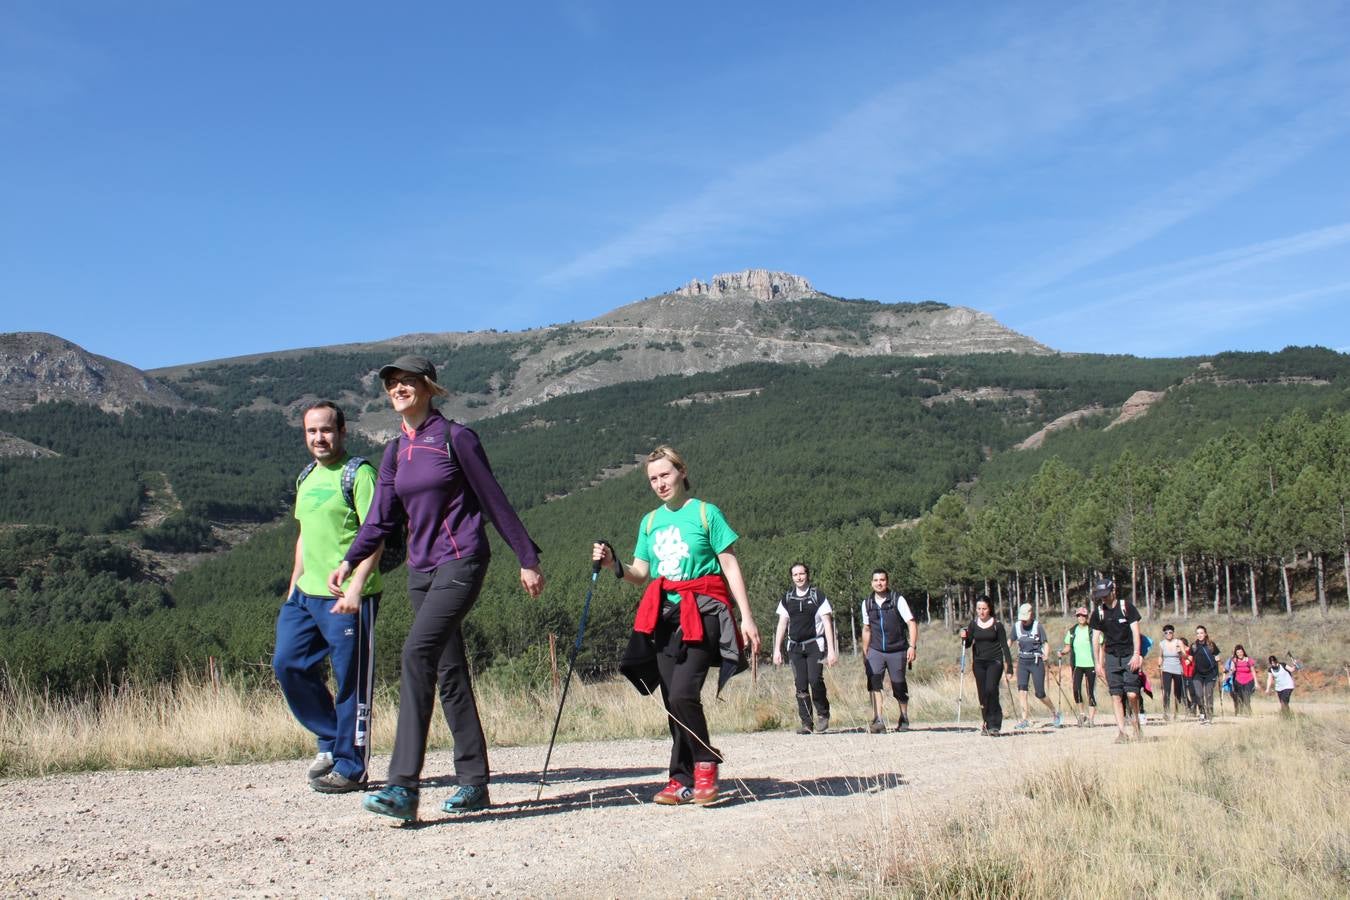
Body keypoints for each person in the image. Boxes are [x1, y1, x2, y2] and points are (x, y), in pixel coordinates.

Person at [329, 355, 545, 822]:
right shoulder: (394, 452)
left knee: (415, 654)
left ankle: (402, 786)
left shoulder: (456, 438)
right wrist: (349, 560)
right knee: (449, 673)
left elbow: (494, 500)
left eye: (408, 382)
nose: (399, 389)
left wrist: (527, 557)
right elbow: (381, 518)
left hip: (462, 560)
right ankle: (474, 783)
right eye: (392, 384)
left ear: (428, 388)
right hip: (420, 572)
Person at [592, 446, 761, 806]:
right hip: (665, 618)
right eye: (653, 479)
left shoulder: (704, 513)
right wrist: (612, 563)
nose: (660, 483)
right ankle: (681, 779)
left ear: (682, 472)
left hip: (705, 612)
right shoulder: (649, 522)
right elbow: (641, 573)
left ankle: (705, 763)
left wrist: (746, 617)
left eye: (665, 475)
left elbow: (730, 566)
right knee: (672, 701)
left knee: (684, 693)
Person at [273, 401, 383, 794]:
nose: (319, 438)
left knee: (351, 682)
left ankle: (352, 767)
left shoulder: (360, 474)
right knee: (288, 664)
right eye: (311, 431)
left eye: (326, 430)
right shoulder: (307, 476)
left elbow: (377, 535)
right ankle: (330, 739)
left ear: (342, 431)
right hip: (305, 597)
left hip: (348, 599)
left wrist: (356, 586)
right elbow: (304, 535)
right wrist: (293, 589)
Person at [772, 562, 838, 734]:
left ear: (807, 575)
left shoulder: (818, 596)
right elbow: (782, 624)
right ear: (792, 577)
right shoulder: (787, 598)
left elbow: (827, 622)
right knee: (800, 685)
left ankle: (823, 714)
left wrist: (831, 650)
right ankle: (806, 723)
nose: (799, 577)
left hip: (815, 645)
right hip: (794, 647)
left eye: (802, 574)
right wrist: (777, 650)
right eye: (795, 575)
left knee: (815, 680)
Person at [860, 569, 918, 733]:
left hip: (897, 650)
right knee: (874, 683)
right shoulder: (867, 603)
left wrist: (912, 646)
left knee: (898, 685)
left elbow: (911, 623)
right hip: (876, 650)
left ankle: (904, 717)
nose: (879, 583)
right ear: (871, 583)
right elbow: (866, 629)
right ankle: (878, 719)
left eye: (882, 580)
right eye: (876, 580)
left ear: (887, 582)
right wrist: (865, 652)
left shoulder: (897, 600)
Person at [1088, 578, 1143, 743]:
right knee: (1116, 695)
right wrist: (1098, 663)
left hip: (1129, 655)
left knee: (1132, 694)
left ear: (1114, 591)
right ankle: (1121, 731)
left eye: (1105, 594)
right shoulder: (1098, 613)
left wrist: (1136, 654)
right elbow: (1095, 639)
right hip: (1111, 657)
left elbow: (1136, 632)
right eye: (1100, 596)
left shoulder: (1127, 607)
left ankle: (1136, 723)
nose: (1103, 598)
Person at [960, 595, 1014, 736]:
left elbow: (1005, 647)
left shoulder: (997, 625)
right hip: (979, 663)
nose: (981, 612)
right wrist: (964, 638)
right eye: (979, 609)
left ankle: (995, 724)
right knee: (983, 694)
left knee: (991, 689)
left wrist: (1010, 667)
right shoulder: (973, 624)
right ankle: (986, 723)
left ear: (989, 609)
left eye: (984, 608)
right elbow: (967, 644)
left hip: (994, 662)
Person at [1009, 603, 1062, 729]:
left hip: (1036, 662)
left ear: (1031, 614)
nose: (1023, 620)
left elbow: (1045, 643)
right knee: (1022, 690)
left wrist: (1046, 654)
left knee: (1040, 693)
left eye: (1026, 617)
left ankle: (1055, 712)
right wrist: (1004, 651)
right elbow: (1010, 640)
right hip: (1022, 661)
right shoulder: (1016, 626)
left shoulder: (1037, 626)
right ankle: (1024, 719)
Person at [1056, 606, 1098, 727]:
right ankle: (1082, 714)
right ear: (1076, 617)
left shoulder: (1092, 630)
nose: (1081, 618)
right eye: (1079, 615)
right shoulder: (1072, 631)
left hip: (1091, 664)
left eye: (1083, 615)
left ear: (1087, 617)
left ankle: (1091, 719)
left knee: (1091, 692)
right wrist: (1062, 652)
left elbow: (1100, 645)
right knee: (1076, 690)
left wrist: (1100, 662)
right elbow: (1068, 646)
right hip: (1077, 665)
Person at [1190, 625, 1221, 724]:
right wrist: (1183, 656)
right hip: (1197, 673)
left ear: (1205, 634)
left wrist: (1218, 659)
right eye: (1198, 633)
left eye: (1201, 633)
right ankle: (1202, 713)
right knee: (1199, 694)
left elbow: (1217, 655)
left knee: (1208, 694)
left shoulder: (1211, 645)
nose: (1199, 635)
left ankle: (1209, 716)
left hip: (1210, 673)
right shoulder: (1194, 646)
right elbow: (1190, 658)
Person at [1158, 624, 1186, 722]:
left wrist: (1180, 652)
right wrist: (1159, 662)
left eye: (1170, 632)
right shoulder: (1162, 644)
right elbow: (1160, 655)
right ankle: (1166, 712)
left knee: (1177, 692)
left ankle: (1176, 712)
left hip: (1177, 669)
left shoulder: (1178, 642)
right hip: (1166, 669)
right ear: (1164, 634)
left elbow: (1185, 655)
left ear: (1173, 633)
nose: (1168, 634)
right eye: (1166, 633)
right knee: (1167, 691)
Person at [1226, 644, 1258, 716]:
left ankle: (1249, 713)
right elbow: (1232, 670)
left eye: (1241, 652)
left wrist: (1256, 682)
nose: (1239, 654)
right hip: (1238, 682)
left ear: (1243, 652)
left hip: (1249, 681)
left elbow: (1253, 671)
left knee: (1246, 697)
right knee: (1240, 698)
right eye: (1237, 653)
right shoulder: (1234, 660)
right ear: (1236, 654)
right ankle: (1241, 712)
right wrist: (1227, 676)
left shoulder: (1248, 660)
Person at [1179, 637, 1199, 716]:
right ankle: (1189, 705)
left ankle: (1193, 710)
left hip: (1192, 674)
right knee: (1182, 693)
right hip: (1183, 674)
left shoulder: (1191, 651)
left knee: (1192, 692)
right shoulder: (1179, 653)